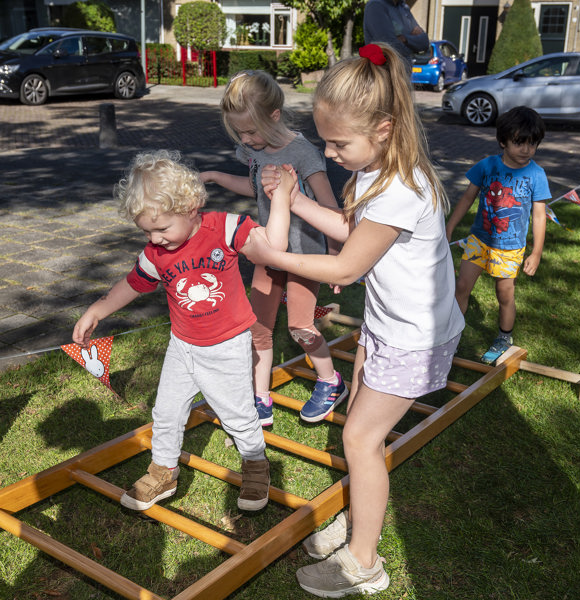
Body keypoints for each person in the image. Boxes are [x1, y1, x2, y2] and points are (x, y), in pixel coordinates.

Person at [249, 43, 464, 598]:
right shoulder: (380, 172)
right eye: (324, 139)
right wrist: (294, 201)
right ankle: (358, 520)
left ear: (385, 128)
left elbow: (346, 262)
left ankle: (363, 561)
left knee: (361, 440)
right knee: (359, 432)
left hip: (413, 338)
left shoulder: (398, 188)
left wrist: (274, 257)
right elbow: (350, 230)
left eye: (339, 142)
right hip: (389, 324)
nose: (329, 151)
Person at [72, 150, 292, 513]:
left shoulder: (224, 228)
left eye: (161, 228)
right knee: (166, 411)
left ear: (191, 207)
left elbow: (274, 248)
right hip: (182, 346)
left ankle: (256, 464)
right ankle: (164, 471)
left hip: (225, 346)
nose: (155, 239)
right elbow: (132, 283)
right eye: (147, 231)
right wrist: (98, 309)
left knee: (236, 413)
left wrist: (280, 198)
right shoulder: (156, 253)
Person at [199, 70, 348, 428]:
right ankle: (259, 398)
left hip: (304, 255)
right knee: (258, 327)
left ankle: (330, 382)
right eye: (240, 133)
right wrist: (218, 177)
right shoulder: (253, 149)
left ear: (274, 116)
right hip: (268, 249)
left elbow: (330, 207)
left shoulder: (302, 153)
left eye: (251, 131)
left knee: (300, 327)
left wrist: (336, 257)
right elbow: (256, 189)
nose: (246, 139)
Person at [445, 105, 550, 364]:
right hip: (478, 240)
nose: (526, 150)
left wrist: (536, 252)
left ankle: (504, 337)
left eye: (532, 144)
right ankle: (451, 337)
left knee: (504, 295)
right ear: (503, 141)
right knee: (461, 287)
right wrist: (448, 228)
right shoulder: (487, 166)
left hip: (510, 248)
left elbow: (539, 216)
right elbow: (467, 198)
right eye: (519, 143)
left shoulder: (536, 174)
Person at [363, 0, 429, 69]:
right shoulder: (376, 6)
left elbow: (425, 42)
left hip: (404, 76)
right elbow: (389, 46)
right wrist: (413, 45)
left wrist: (405, 39)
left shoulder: (403, 7)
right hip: (383, 74)